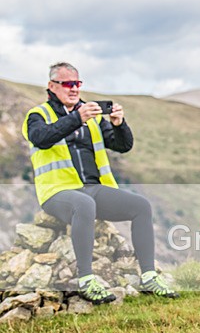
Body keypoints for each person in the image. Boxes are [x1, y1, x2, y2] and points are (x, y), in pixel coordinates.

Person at [22, 62, 178, 304]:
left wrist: (119, 124)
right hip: (57, 192)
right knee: (83, 204)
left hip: (94, 189)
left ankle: (148, 276)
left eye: (77, 84)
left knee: (141, 206)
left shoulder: (91, 114)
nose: (74, 89)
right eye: (67, 84)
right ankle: (87, 280)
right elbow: (41, 138)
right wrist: (76, 118)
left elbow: (122, 145)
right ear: (52, 86)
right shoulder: (38, 115)